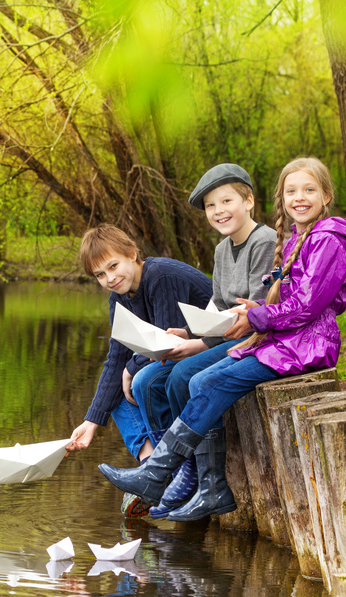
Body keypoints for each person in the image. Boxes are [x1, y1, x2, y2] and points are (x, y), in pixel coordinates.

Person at [98, 156, 346, 522]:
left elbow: (307, 306)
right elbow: (265, 301)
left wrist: (255, 315)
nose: (299, 197)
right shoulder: (298, 237)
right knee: (188, 378)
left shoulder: (325, 239)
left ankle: (168, 475)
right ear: (281, 198)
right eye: (291, 191)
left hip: (306, 344)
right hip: (284, 338)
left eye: (309, 190)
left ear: (326, 195)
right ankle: (199, 483)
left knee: (196, 378)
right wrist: (203, 329)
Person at [129, 163, 276, 518]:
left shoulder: (265, 241)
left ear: (249, 201)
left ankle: (203, 478)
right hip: (221, 333)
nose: (218, 211)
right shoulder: (223, 249)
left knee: (183, 376)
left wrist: (200, 345)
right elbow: (217, 303)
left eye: (227, 200)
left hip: (255, 336)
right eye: (211, 206)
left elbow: (252, 313)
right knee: (147, 381)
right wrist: (190, 333)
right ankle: (180, 470)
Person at [67, 225, 212, 517]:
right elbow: (114, 359)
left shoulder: (160, 275)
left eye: (113, 266)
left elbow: (166, 340)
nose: (110, 278)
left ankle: (167, 470)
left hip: (209, 346)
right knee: (114, 398)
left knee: (143, 380)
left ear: (132, 254)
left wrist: (130, 369)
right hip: (176, 354)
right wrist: (91, 422)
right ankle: (152, 467)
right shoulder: (118, 299)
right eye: (100, 275)